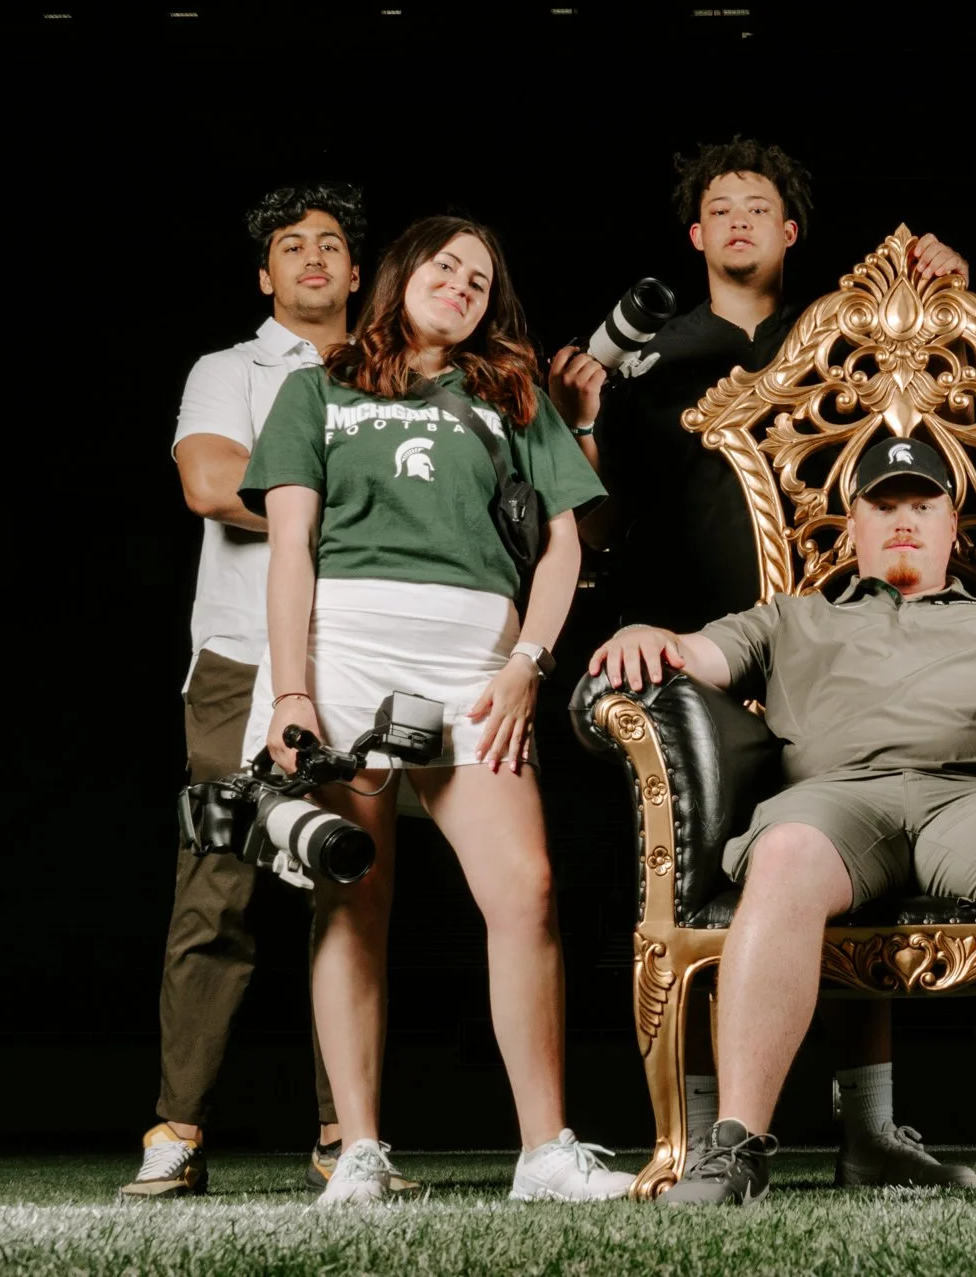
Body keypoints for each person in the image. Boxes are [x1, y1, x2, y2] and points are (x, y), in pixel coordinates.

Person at [589, 436, 976, 1206]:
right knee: (783, 854)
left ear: (951, 525)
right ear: (854, 525)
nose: (903, 519)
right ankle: (735, 1150)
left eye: (921, 503)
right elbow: (695, 654)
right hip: (835, 801)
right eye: (883, 505)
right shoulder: (792, 617)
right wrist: (646, 636)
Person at [551, 136, 976, 1188]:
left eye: (759, 206)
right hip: (700, 646)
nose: (739, 219)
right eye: (720, 208)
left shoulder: (843, 329)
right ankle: (706, 1131)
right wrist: (582, 426)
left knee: (859, 849)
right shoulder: (645, 358)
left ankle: (867, 1129)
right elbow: (598, 530)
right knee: (701, 877)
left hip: (833, 636)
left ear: (791, 231)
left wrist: (950, 289)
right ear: (695, 235)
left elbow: (941, 417)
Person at [239, 214, 630, 1206]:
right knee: (353, 897)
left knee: (527, 891)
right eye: (445, 265)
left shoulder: (513, 392)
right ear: (403, 273)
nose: (461, 283)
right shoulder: (315, 389)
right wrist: (292, 690)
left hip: (476, 664)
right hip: (347, 655)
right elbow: (290, 549)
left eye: (480, 279)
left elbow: (566, 544)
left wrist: (528, 663)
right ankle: (360, 1149)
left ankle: (544, 1152)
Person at [126, 183, 386, 1202]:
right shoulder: (228, 370)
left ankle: (346, 1135)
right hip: (241, 661)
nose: (314, 257)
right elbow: (208, 483)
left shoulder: (392, 373)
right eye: (292, 245)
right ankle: (177, 1130)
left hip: (358, 659)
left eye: (332, 244)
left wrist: (291, 496)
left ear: (358, 271)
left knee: (351, 888)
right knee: (217, 891)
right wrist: (363, 507)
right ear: (265, 273)